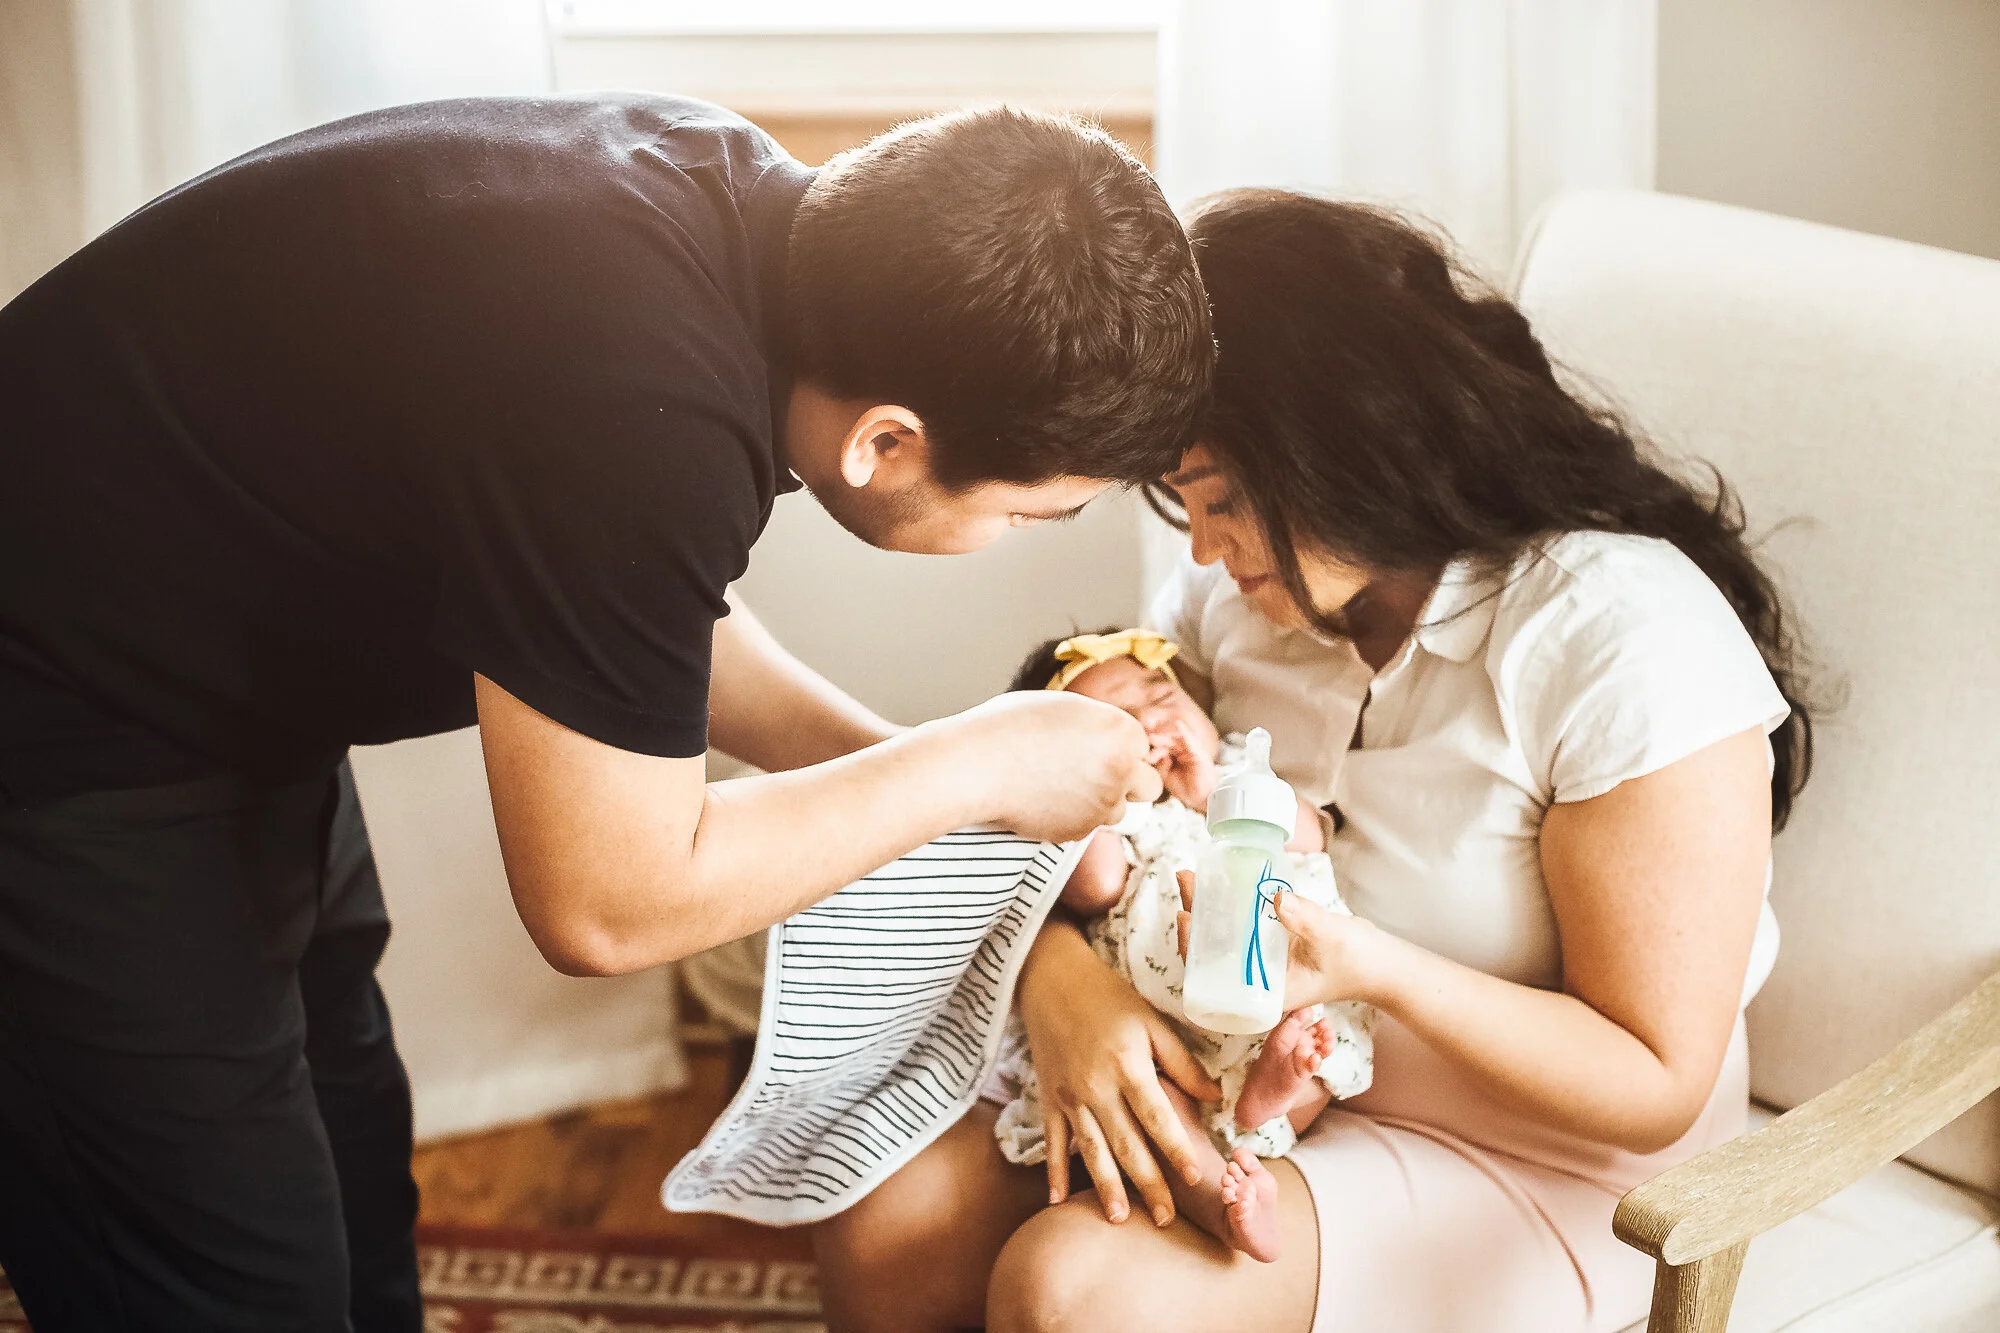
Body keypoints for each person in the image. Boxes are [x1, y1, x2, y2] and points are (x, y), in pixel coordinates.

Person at [0, 94, 1207, 1330]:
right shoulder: (629, 389)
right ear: (884, 444)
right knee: (226, 1279)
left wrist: (970, 801)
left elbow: (628, 621)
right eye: (1023, 513)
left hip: (214, 680)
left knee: (345, 1157)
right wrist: (974, 766)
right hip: (64, 721)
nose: (1014, 538)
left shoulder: (735, 236)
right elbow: (607, 901)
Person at [812, 190, 1816, 1333]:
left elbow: (1650, 1081)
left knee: (1072, 1292)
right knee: (886, 1222)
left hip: (1552, 1167)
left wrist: (1361, 966)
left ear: (1348, 447)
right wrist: (1060, 986)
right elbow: (1102, 818)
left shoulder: (1616, 637)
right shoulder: (1240, 601)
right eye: (1184, 503)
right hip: (1255, 1092)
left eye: (1225, 501)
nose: (1201, 548)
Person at [984, 629, 1373, 1263]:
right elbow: (1095, 887)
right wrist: (1099, 793)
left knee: (1312, 1039)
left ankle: (1273, 1093)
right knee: (1152, 1103)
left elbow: (1310, 836)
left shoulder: (1242, 771)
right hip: (1163, 1034)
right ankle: (1221, 1206)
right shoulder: (1110, 823)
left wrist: (1210, 790)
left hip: (1274, 981)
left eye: (1161, 696)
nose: (1152, 722)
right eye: (1116, 724)